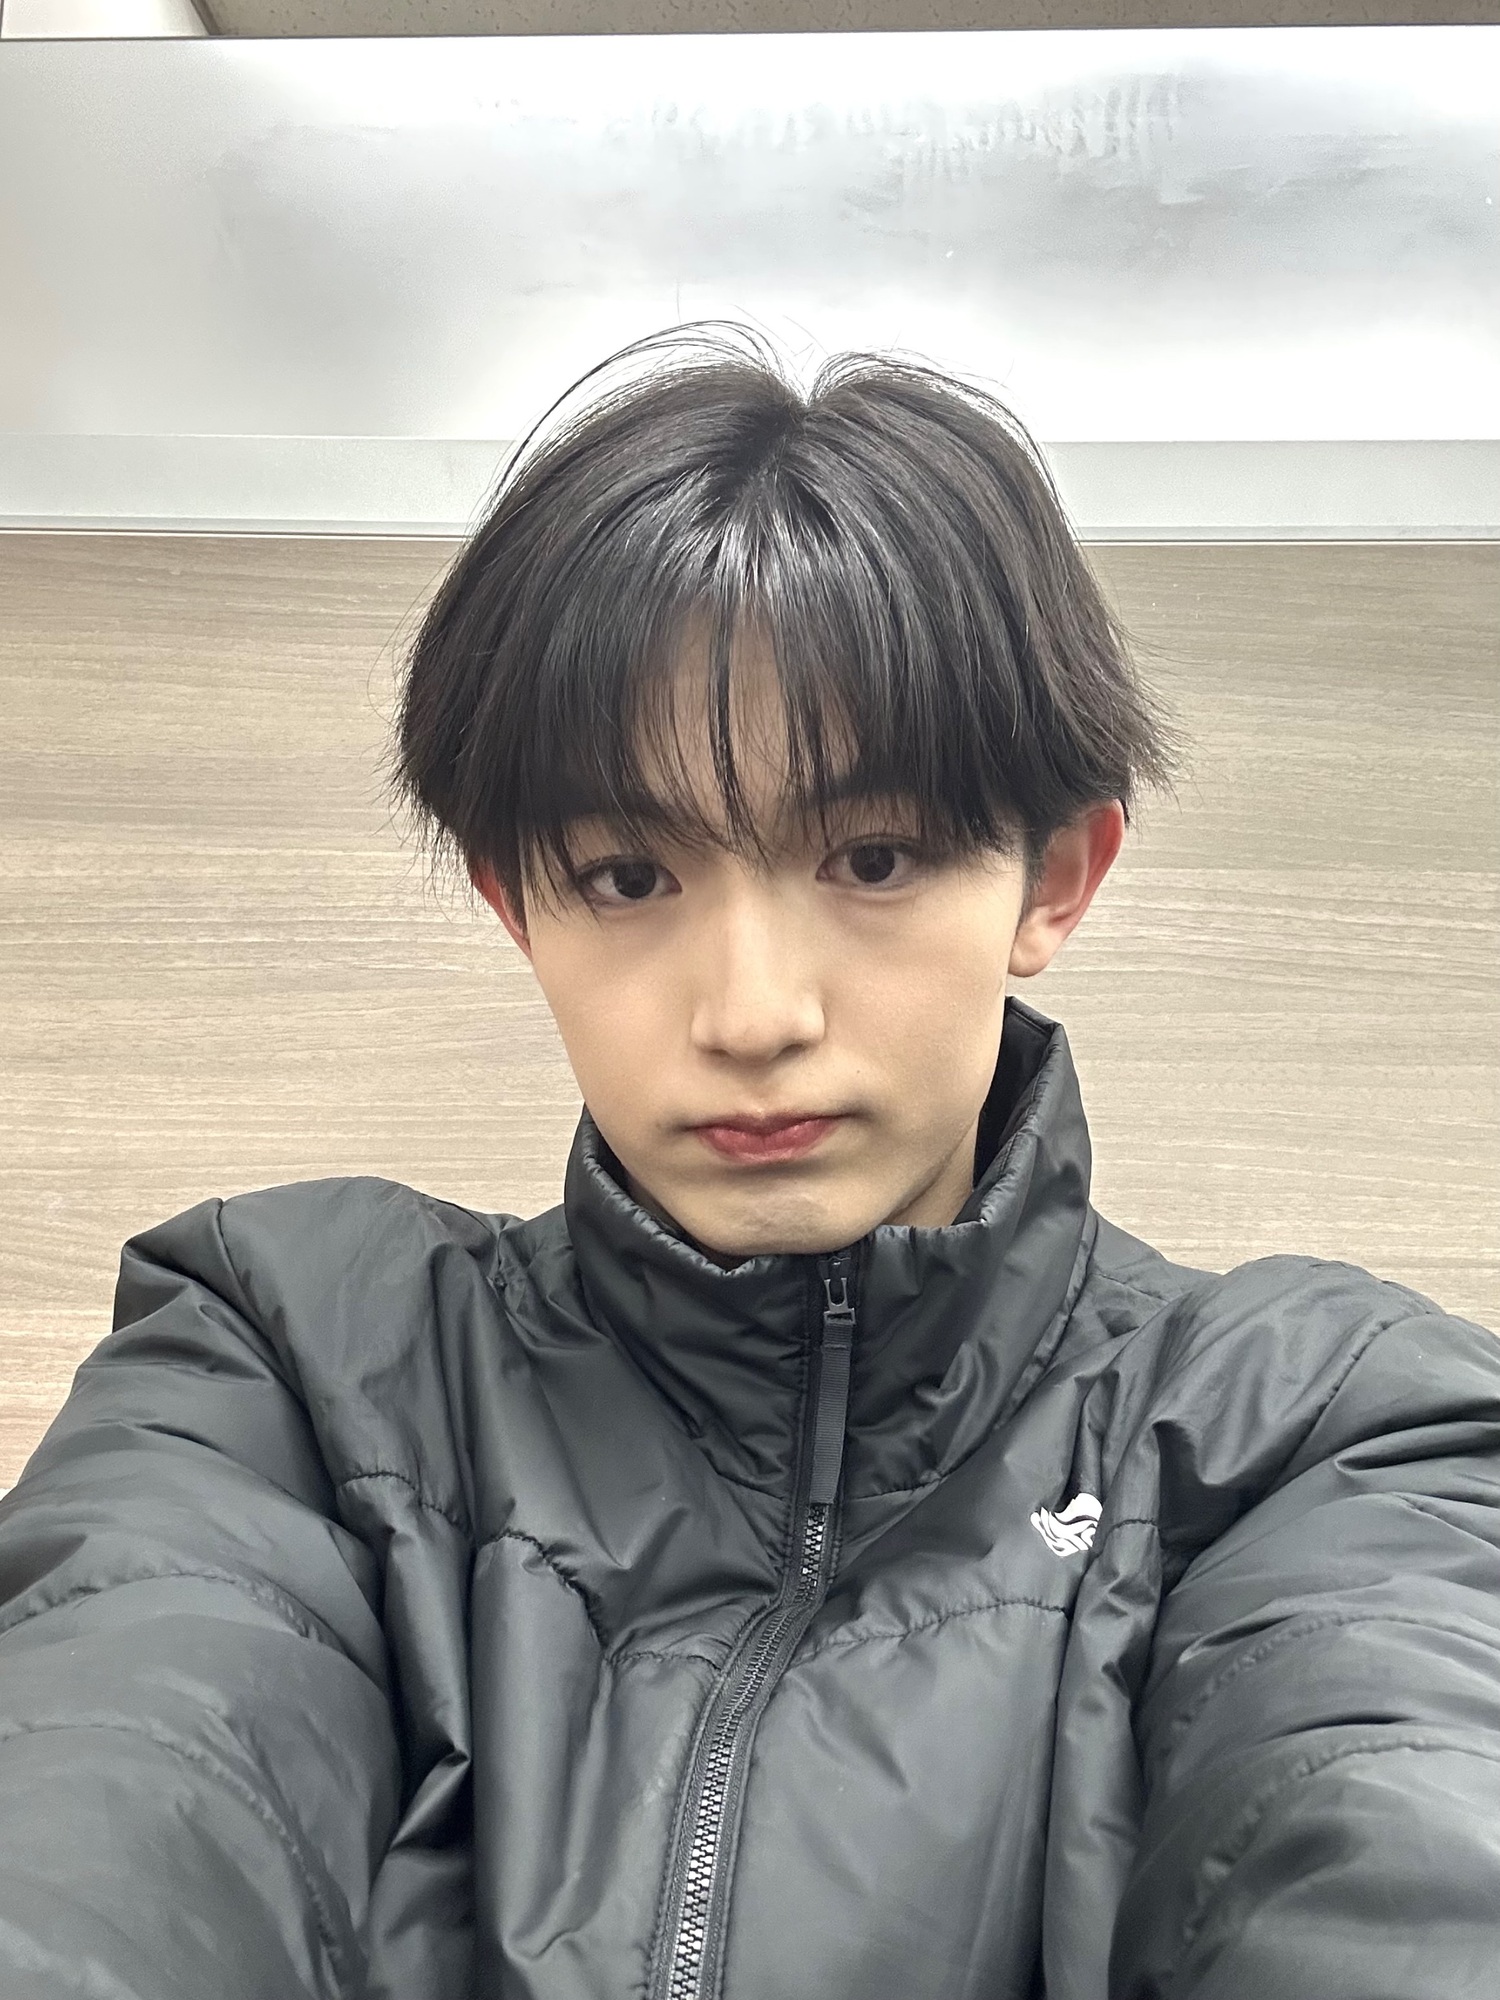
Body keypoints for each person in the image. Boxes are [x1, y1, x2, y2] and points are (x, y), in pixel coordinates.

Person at [1, 323, 1497, 2000]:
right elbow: (110, 1795)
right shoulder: (283, 1361)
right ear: (516, 902)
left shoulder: (1326, 1426)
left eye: (875, 857)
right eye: (629, 877)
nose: (753, 1014)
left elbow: (1397, 1840)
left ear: (1054, 880)